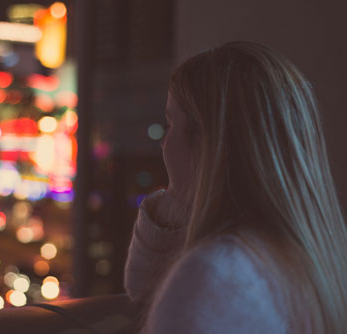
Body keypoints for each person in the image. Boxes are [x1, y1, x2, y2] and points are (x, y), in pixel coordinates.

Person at [124, 41, 347, 333]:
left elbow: (148, 300)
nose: (164, 143)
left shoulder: (211, 280)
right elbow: (143, 294)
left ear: (207, 140)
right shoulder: (321, 259)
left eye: (170, 124)